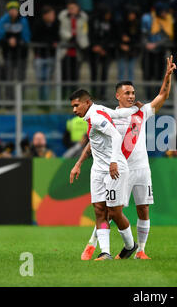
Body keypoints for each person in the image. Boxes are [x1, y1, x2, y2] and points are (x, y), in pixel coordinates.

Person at [78, 55, 177, 260]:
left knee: (143, 209)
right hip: (119, 169)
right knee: (111, 211)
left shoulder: (141, 113)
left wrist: (167, 75)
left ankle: (140, 250)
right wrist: (79, 162)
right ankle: (94, 243)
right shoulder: (109, 116)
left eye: (133, 93)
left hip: (141, 168)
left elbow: (163, 95)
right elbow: (93, 143)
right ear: (117, 96)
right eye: (127, 93)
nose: (131, 96)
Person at [69, 88, 141, 261]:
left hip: (114, 169)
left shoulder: (96, 117)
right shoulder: (97, 110)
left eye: (76, 105)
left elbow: (116, 136)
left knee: (114, 212)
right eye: (72, 106)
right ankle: (105, 252)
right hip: (98, 170)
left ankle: (130, 246)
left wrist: (114, 161)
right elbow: (117, 115)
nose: (74, 110)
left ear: (87, 102)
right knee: (99, 210)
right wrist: (134, 109)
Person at [0, 0, 31, 99]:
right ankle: (9, 100)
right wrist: (8, 41)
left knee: (21, 79)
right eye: (11, 10)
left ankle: (21, 100)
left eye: (15, 9)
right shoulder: (3, 21)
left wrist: (17, 42)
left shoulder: (23, 20)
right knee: (9, 78)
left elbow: (26, 38)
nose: (13, 12)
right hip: (8, 55)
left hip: (21, 55)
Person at [141, 1, 173, 100]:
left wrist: (155, 44)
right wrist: (147, 44)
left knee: (159, 76)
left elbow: (168, 37)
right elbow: (143, 34)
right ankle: (148, 97)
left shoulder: (168, 20)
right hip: (148, 52)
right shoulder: (147, 18)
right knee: (147, 75)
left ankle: (157, 98)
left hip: (160, 51)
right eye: (163, 12)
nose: (165, 14)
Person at [58, 0, 89, 96]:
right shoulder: (62, 17)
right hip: (65, 49)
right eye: (69, 8)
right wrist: (70, 36)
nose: (71, 10)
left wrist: (80, 40)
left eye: (73, 8)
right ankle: (63, 95)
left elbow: (84, 31)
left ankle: (74, 96)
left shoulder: (83, 17)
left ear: (77, 8)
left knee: (75, 74)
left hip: (77, 49)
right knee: (64, 75)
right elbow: (61, 30)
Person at [32, 5, 60, 102]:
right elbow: (35, 38)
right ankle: (41, 100)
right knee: (40, 79)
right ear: (45, 15)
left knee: (48, 80)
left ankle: (46, 101)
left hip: (51, 56)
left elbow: (57, 38)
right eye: (51, 14)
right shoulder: (37, 24)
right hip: (39, 56)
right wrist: (49, 42)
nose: (53, 16)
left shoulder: (56, 24)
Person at [89, 4, 116, 100]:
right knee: (94, 73)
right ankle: (94, 94)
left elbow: (112, 36)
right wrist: (95, 46)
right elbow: (90, 34)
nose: (109, 16)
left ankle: (102, 94)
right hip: (94, 51)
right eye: (107, 14)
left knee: (104, 73)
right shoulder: (93, 21)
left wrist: (103, 48)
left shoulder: (111, 22)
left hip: (106, 51)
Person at [117, 6, 141, 82]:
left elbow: (138, 38)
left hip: (132, 51)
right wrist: (121, 44)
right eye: (130, 14)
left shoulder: (137, 24)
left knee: (131, 72)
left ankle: (130, 92)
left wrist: (130, 45)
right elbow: (116, 36)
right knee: (121, 72)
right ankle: (121, 91)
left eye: (133, 14)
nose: (132, 16)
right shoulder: (121, 23)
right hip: (121, 51)